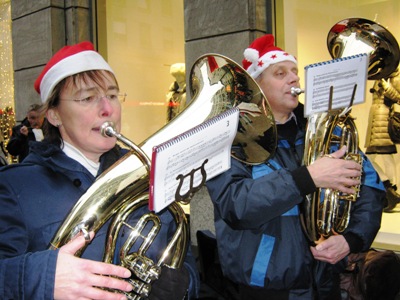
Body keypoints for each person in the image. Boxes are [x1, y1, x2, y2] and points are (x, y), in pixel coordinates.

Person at [0, 41, 199, 299]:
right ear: (54, 115)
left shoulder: (148, 174)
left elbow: (185, 259)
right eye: (88, 98)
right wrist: (42, 276)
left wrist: (183, 285)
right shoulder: (15, 187)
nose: (108, 109)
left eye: (113, 95)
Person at [206, 34, 385, 299]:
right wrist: (308, 177)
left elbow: (369, 186)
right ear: (256, 85)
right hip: (267, 286)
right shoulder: (232, 138)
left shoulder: (324, 130)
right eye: (280, 73)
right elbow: (235, 204)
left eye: (294, 72)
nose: (294, 79)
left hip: (326, 277)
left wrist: (352, 239)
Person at [365, 66, 400, 212]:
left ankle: (391, 188)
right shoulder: (378, 75)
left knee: (383, 157)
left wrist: (386, 86)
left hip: (385, 120)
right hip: (375, 120)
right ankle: (390, 189)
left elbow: (398, 97)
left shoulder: (395, 77)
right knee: (370, 158)